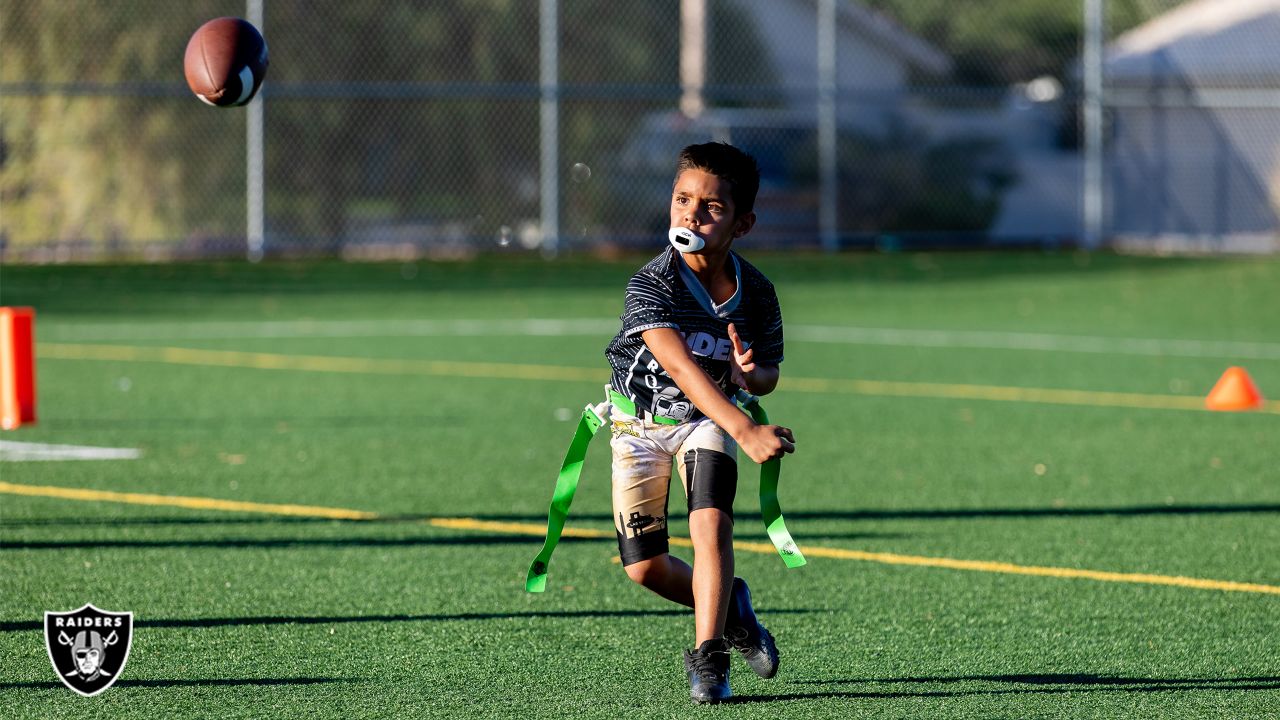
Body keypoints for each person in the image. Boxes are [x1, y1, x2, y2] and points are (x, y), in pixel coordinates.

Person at [603, 141, 795, 704]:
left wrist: (752, 372)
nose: (691, 213)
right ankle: (731, 605)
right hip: (639, 426)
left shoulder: (757, 292)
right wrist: (746, 428)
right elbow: (683, 368)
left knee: (712, 526)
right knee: (645, 569)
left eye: (711, 206)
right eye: (682, 199)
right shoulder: (651, 282)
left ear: (744, 223)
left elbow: (767, 376)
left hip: (706, 424)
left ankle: (709, 661)